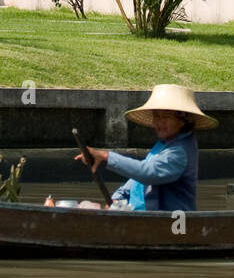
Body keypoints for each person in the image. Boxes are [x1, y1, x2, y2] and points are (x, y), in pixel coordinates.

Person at [75, 85, 218, 211]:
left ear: (184, 120)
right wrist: (118, 197)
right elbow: (138, 177)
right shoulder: (164, 144)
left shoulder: (179, 151)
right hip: (143, 216)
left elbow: (147, 173)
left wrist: (107, 156)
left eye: (165, 117)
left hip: (174, 223)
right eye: (156, 116)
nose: (159, 122)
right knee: (84, 206)